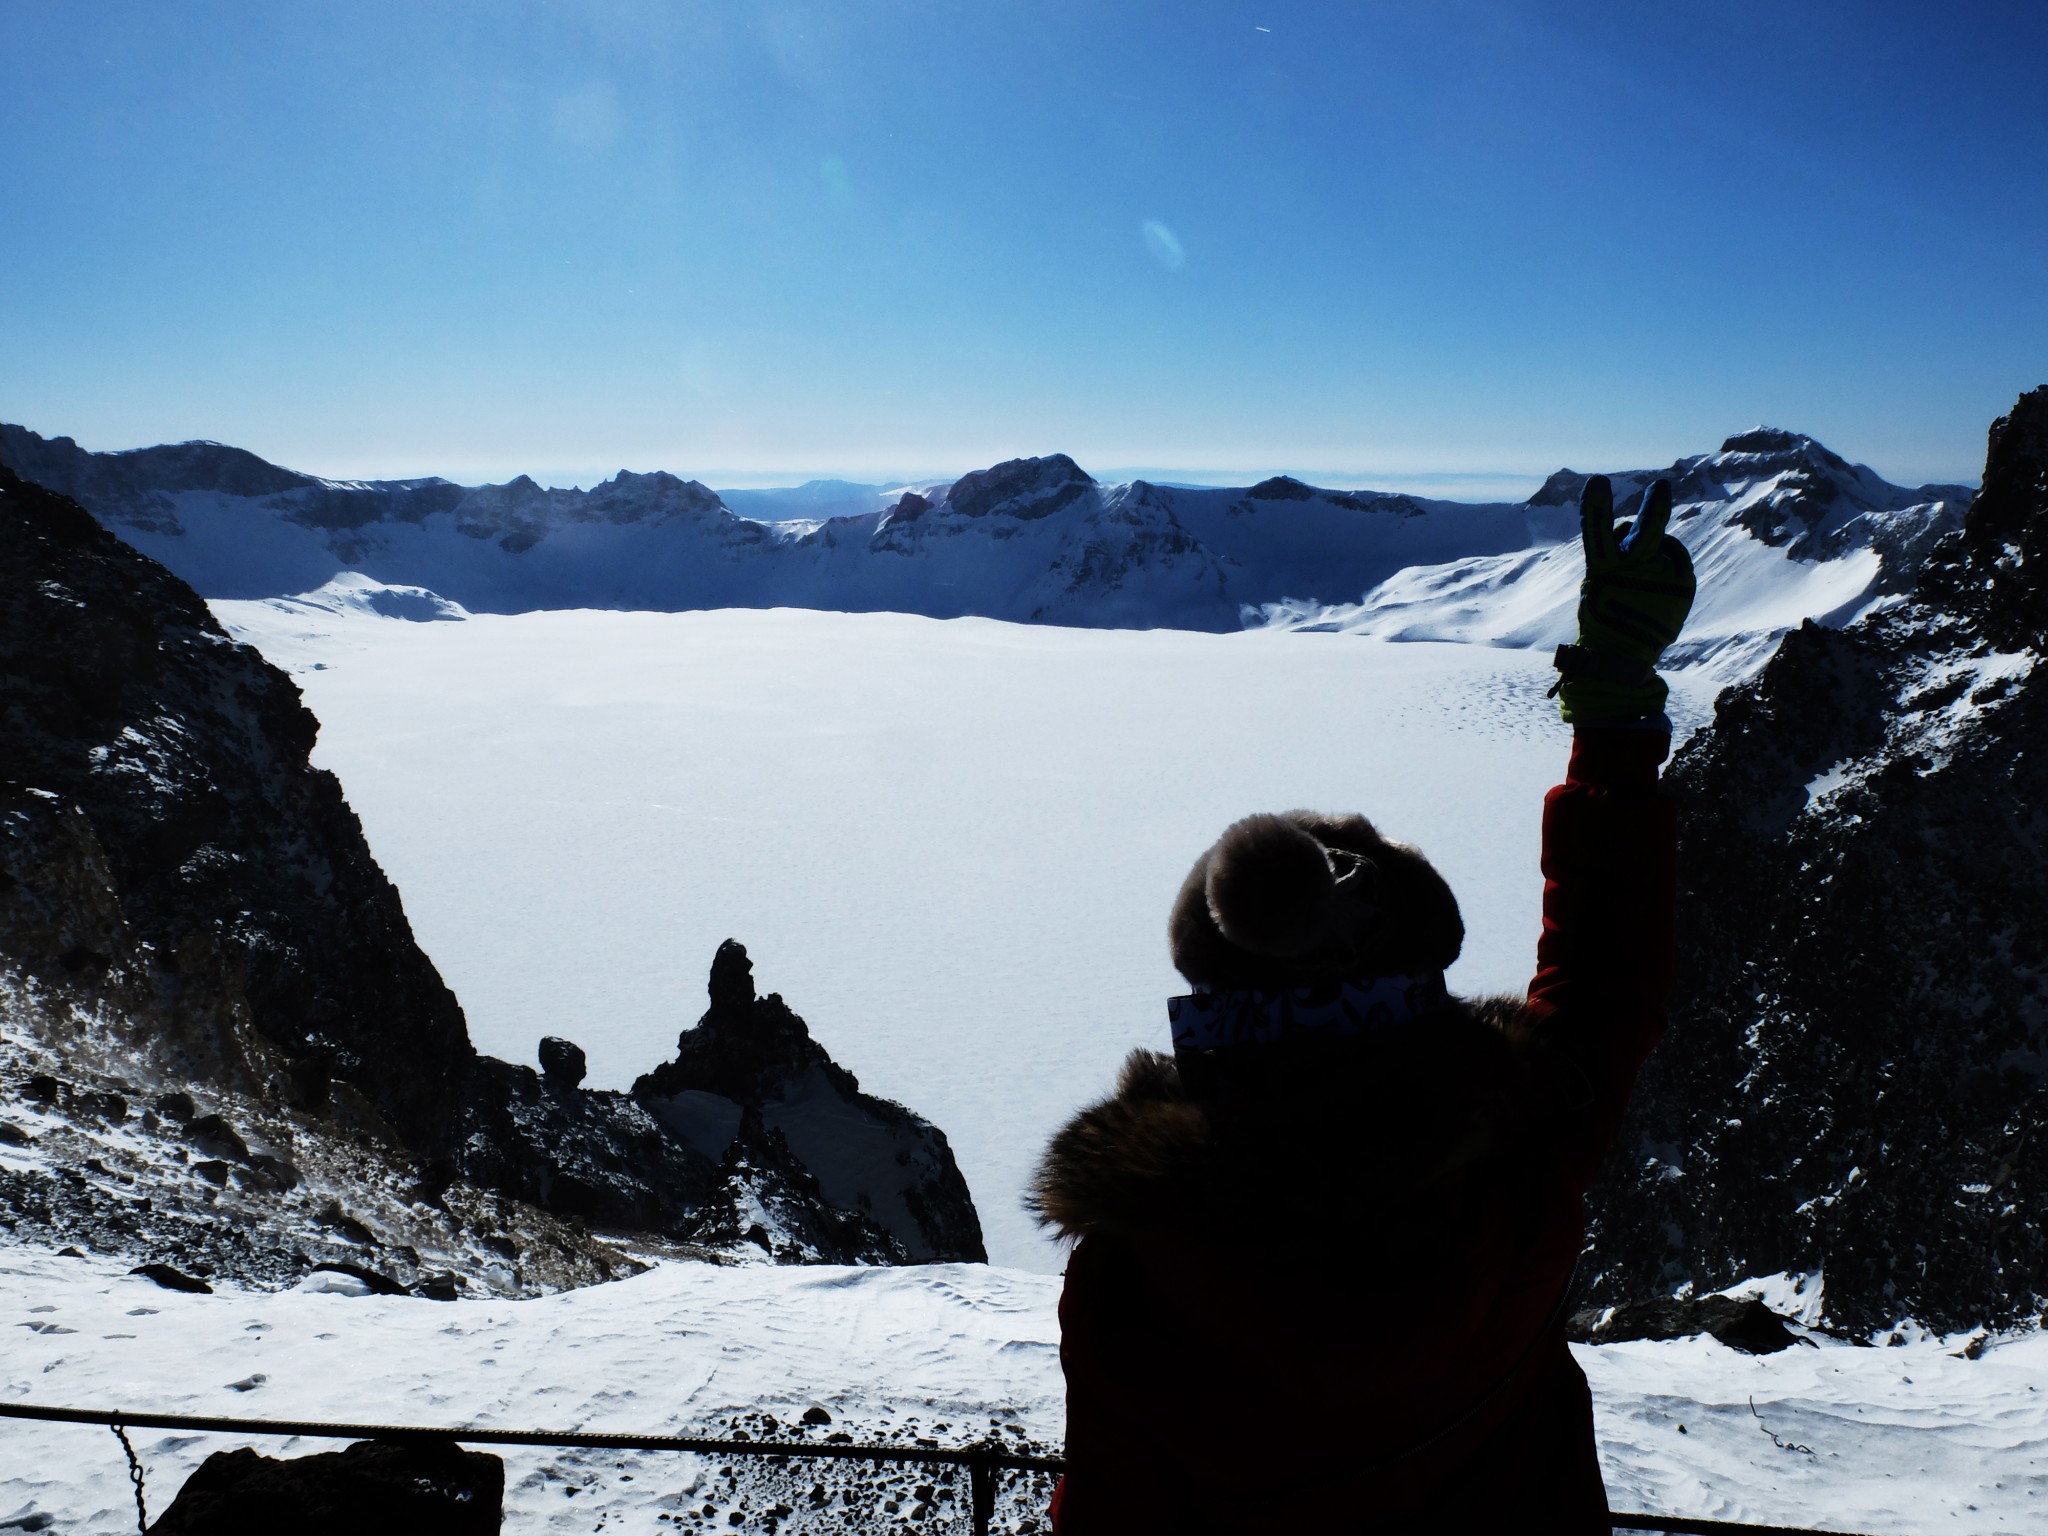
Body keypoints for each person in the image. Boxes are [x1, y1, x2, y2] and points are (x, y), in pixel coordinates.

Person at [1029, 475, 1696, 1532]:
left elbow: (1109, 1512)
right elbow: (1607, 983)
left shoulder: (1134, 1271)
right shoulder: (1513, 1153)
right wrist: (1612, 714)